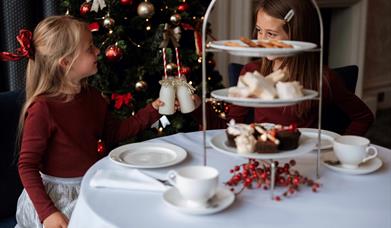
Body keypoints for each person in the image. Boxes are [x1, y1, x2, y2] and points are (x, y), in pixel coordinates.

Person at [1, 16, 163, 228]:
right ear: (66, 63)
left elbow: (115, 132)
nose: (97, 51)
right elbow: (27, 166)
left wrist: (154, 109)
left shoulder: (93, 96)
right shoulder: (43, 109)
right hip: (58, 200)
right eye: (89, 48)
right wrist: (48, 213)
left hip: (91, 184)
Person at [204, 0, 374, 136]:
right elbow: (230, 126)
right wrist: (197, 108)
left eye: (271, 34)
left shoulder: (322, 78)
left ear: (297, 35)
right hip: (262, 153)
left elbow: (363, 117)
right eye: (258, 30)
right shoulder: (251, 72)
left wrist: (341, 148)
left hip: (302, 159)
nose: (261, 40)